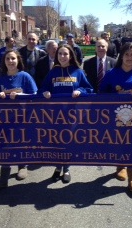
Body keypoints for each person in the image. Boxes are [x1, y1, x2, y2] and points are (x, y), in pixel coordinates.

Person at [99, 42, 132, 194]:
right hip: (116, 116)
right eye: (127, 54)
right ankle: (120, 166)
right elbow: (101, 93)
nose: (129, 57)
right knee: (118, 141)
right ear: (121, 56)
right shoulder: (112, 73)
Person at [38, 44, 93, 183]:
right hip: (55, 115)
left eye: (65, 54)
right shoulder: (52, 72)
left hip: (72, 115)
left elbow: (89, 88)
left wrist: (81, 90)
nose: (62, 57)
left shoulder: (78, 72)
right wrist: (45, 92)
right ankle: (57, 167)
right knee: (56, 142)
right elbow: (42, 88)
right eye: (60, 54)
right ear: (57, 56)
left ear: (70, 56)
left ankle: (66, 168)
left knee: (68, 142)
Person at [0, 50, 38, 187]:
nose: (10, 61)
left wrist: (21, 95)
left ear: (18, 60)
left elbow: (34, 95)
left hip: (22, 117)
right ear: (4, 61)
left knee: (20, 142)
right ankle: (4, 174)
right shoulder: (1, 77)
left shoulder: (25, 76)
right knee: (5, 145)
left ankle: (22, 165)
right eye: (7, 59)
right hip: (5, 118)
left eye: (13, 58)